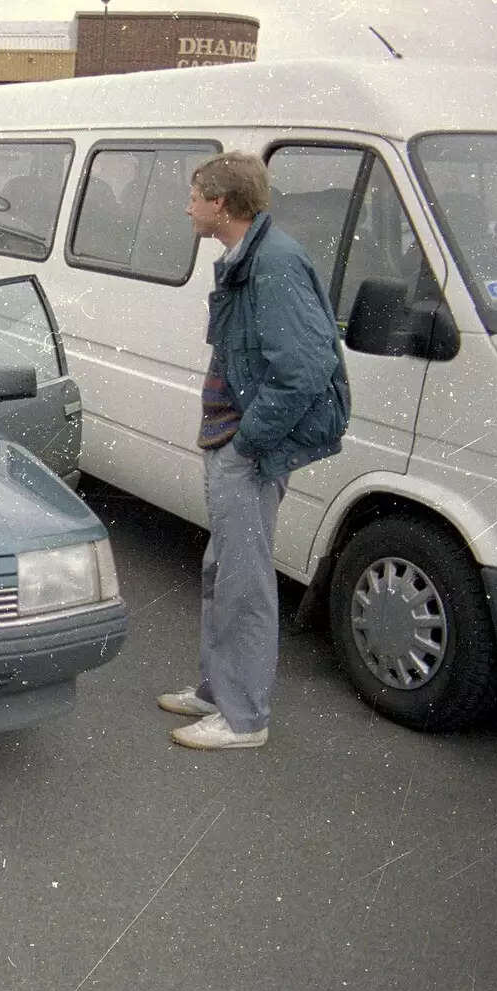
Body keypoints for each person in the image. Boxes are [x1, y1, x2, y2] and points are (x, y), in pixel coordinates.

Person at [158, 152, 350, 749]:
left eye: (195, 196)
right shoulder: (247, 256)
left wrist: (248, 444)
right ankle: (217, 691)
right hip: (230, 439)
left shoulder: (274, 263)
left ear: (221, 203)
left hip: (248, 448)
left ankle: (244, 719)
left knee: (244, 580)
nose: (188, 206)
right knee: (223, 569)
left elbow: (306, 370)